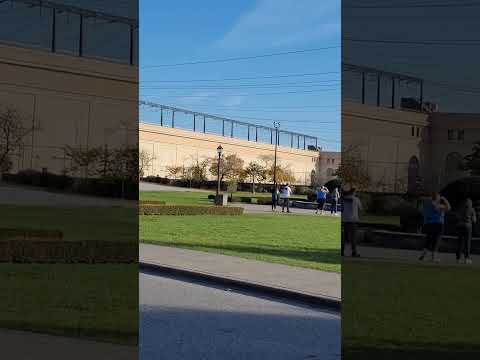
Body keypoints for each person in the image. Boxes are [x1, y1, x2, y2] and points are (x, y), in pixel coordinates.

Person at [419, 192, 451, 262]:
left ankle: (423, 254)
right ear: (437, 198)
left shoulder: (427, 204)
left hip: (428, 224)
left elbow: (421, 210)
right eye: (439, 197)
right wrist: (445, 199)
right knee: (437, 240)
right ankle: (434, 257)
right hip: (438, 224)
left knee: (428, 239)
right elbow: (448, 208)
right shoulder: (438, 205)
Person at [341, 188, 363, 257]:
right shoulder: (356, 199)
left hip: (345, 219)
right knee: (353, 237)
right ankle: (354, 252)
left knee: (344, 237)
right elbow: (361, 209)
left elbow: (341, 209)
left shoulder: (343, 199)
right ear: (354, 192)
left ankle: (342, 251)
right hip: (353, 220)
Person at [456, 198, 476, 264]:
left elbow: (457, 216)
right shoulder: (472, 209)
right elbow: (474, 220)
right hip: (468, 227)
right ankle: (466, 258)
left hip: (460, 226)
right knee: (467, 243)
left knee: (460, 243)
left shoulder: (460, 209)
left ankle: (458, 258)